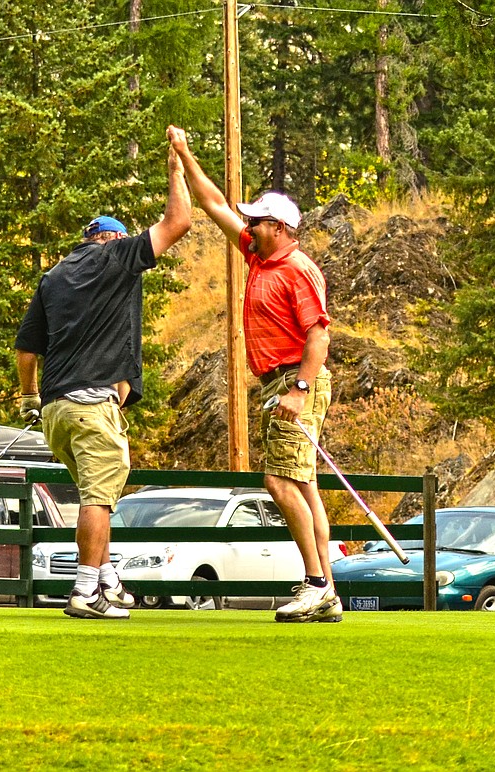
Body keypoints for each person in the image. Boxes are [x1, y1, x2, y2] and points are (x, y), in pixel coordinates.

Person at [167, 125, 340, 623]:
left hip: (296, 380)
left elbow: (319, 336)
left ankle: (314, 585)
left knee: (279, 481)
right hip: (279, 382)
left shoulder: (297, 268)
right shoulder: (258, 256)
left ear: (281, 229)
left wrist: (301, 389)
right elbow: (215, 204)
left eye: (259, 221)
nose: (250, 226)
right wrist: (184, 153)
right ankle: (326, 588)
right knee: (303, 486)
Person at [14, 141, 191, 620]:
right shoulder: (118, 258)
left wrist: (31, 398)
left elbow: (27, 349)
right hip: (92, 406)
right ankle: (86, 590)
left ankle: (108, 579)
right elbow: (179, 223)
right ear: (113, 241)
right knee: (99, 497)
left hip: (55, 412)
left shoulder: (54, 277)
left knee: (100, 494)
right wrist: (176, 167)